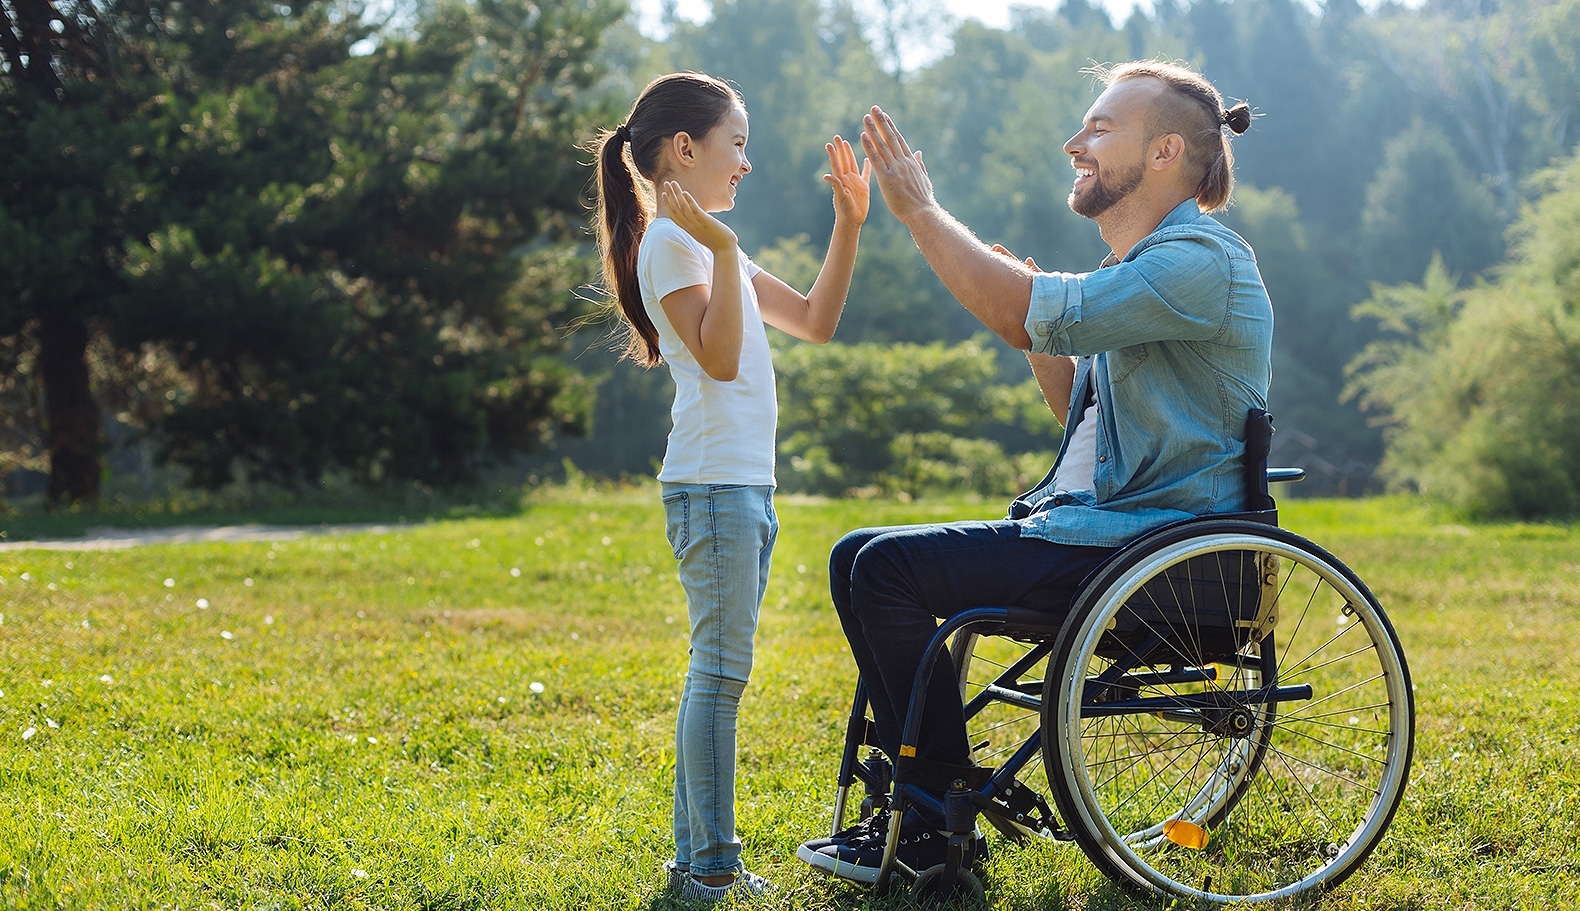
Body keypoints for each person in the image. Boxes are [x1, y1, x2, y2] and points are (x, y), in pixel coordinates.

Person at [796, 60, 1271, 883]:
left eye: (1098, 129)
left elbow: (1032, 309)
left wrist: (921, 213)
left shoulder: (1199, 263)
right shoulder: (1136, 275)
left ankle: (932, 810)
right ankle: (923, 798)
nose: (1072, 143)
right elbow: (1082, 415)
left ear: (1163, 153)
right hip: (1098, 534)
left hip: (1147, 551)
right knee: (856, 555)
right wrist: (1034, 330)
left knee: (885, 568)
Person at [593, 72, 870, 902]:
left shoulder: (711, 244)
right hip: (713, 486)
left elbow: (817, 321)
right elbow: (717, 358)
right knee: (719, 677)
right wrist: (716, 245)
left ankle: (695, 863)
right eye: (736, 143)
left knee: (714, 674)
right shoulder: (678, 244)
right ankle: (709, 869)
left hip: (741, 485)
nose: (745, 162)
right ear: (686, 148)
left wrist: (848, 224)